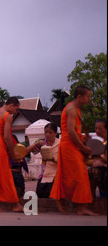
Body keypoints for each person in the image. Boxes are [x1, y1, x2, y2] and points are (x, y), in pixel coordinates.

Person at [50, 86, 98, 215]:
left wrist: (83, 139)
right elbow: (71, 132)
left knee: (71, 176)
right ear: (79, 97)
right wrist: (83, 147)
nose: (89, 99)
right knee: (80, 175)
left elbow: (75, 131)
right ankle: (79, 207)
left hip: (72, 145)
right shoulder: (71, 110)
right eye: (88, 96)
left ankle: (69, 203)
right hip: (68, 146)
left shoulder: (76, 109)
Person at [35, 122, 60, 198]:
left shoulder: (61, 144)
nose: (48, 135)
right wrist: (36, 144)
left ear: (56, 133)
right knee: (40, 193)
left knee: (52, 194)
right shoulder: (42, 143)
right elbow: (29, 151)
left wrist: (53, 160)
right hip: (44, 173)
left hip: (56, 174)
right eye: (46, 132)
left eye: (50, 132)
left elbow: (64, 161)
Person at [88, 119, 107, 198]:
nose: (97, 131)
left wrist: (103, 160)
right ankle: (92, 199)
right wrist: (94, 162)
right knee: (92, 171)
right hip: (101, 168)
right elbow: (88, 160)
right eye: (96, 128)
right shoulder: (97, 144)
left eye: (100, 128)